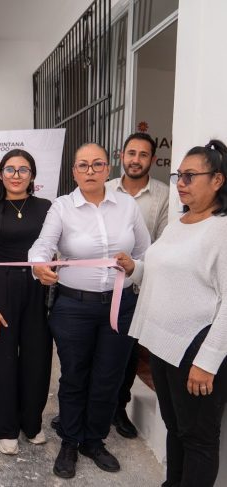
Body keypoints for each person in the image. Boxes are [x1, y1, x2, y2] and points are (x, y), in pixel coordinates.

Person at [29, 143, 150, 479]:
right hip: (73, 308)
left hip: (120, 306)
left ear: (108, 169)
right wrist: (38, 264)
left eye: (97, 164)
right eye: (83, 165)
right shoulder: (62, 207)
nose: (91, 171)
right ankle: (70, 441)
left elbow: (146, 251)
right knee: (74, 375)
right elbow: (43, 244)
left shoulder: (127, 206)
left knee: (108, 377)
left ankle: (94, 441)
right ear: (74, 172)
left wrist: (135, 266)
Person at [117, 139, 227, 487]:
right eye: (179, 175)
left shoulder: (222, 230)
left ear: (217, 180)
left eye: (190, 176)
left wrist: (207, 362)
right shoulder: (180, 222)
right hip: (163, 345)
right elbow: (158, 272)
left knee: (198, 439)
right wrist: (133, 268)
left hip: (195, 349)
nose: (181, 183)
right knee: (176, 427)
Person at [0, 149, 52, 456]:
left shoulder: (46, 208)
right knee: (1, 361)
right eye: (10, 169)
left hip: (37, 288)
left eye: (23, 170)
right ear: (1, 174)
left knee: (37, 357)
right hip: (1, 288)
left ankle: (31, 423)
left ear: (32, 175)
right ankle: (6, 428)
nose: (16, 176)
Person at [106, 132, 169, 439]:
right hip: (100, 288)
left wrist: (137, 267)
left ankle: (118, 408)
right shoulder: (104, 188)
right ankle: (82, 409)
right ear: (122, 156)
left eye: (143, 155)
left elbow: (164, 243)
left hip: (136, 288)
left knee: (127, 355)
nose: (136, 160)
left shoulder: (164, 196)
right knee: (90, 352)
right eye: (131, 153)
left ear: (152, 160)